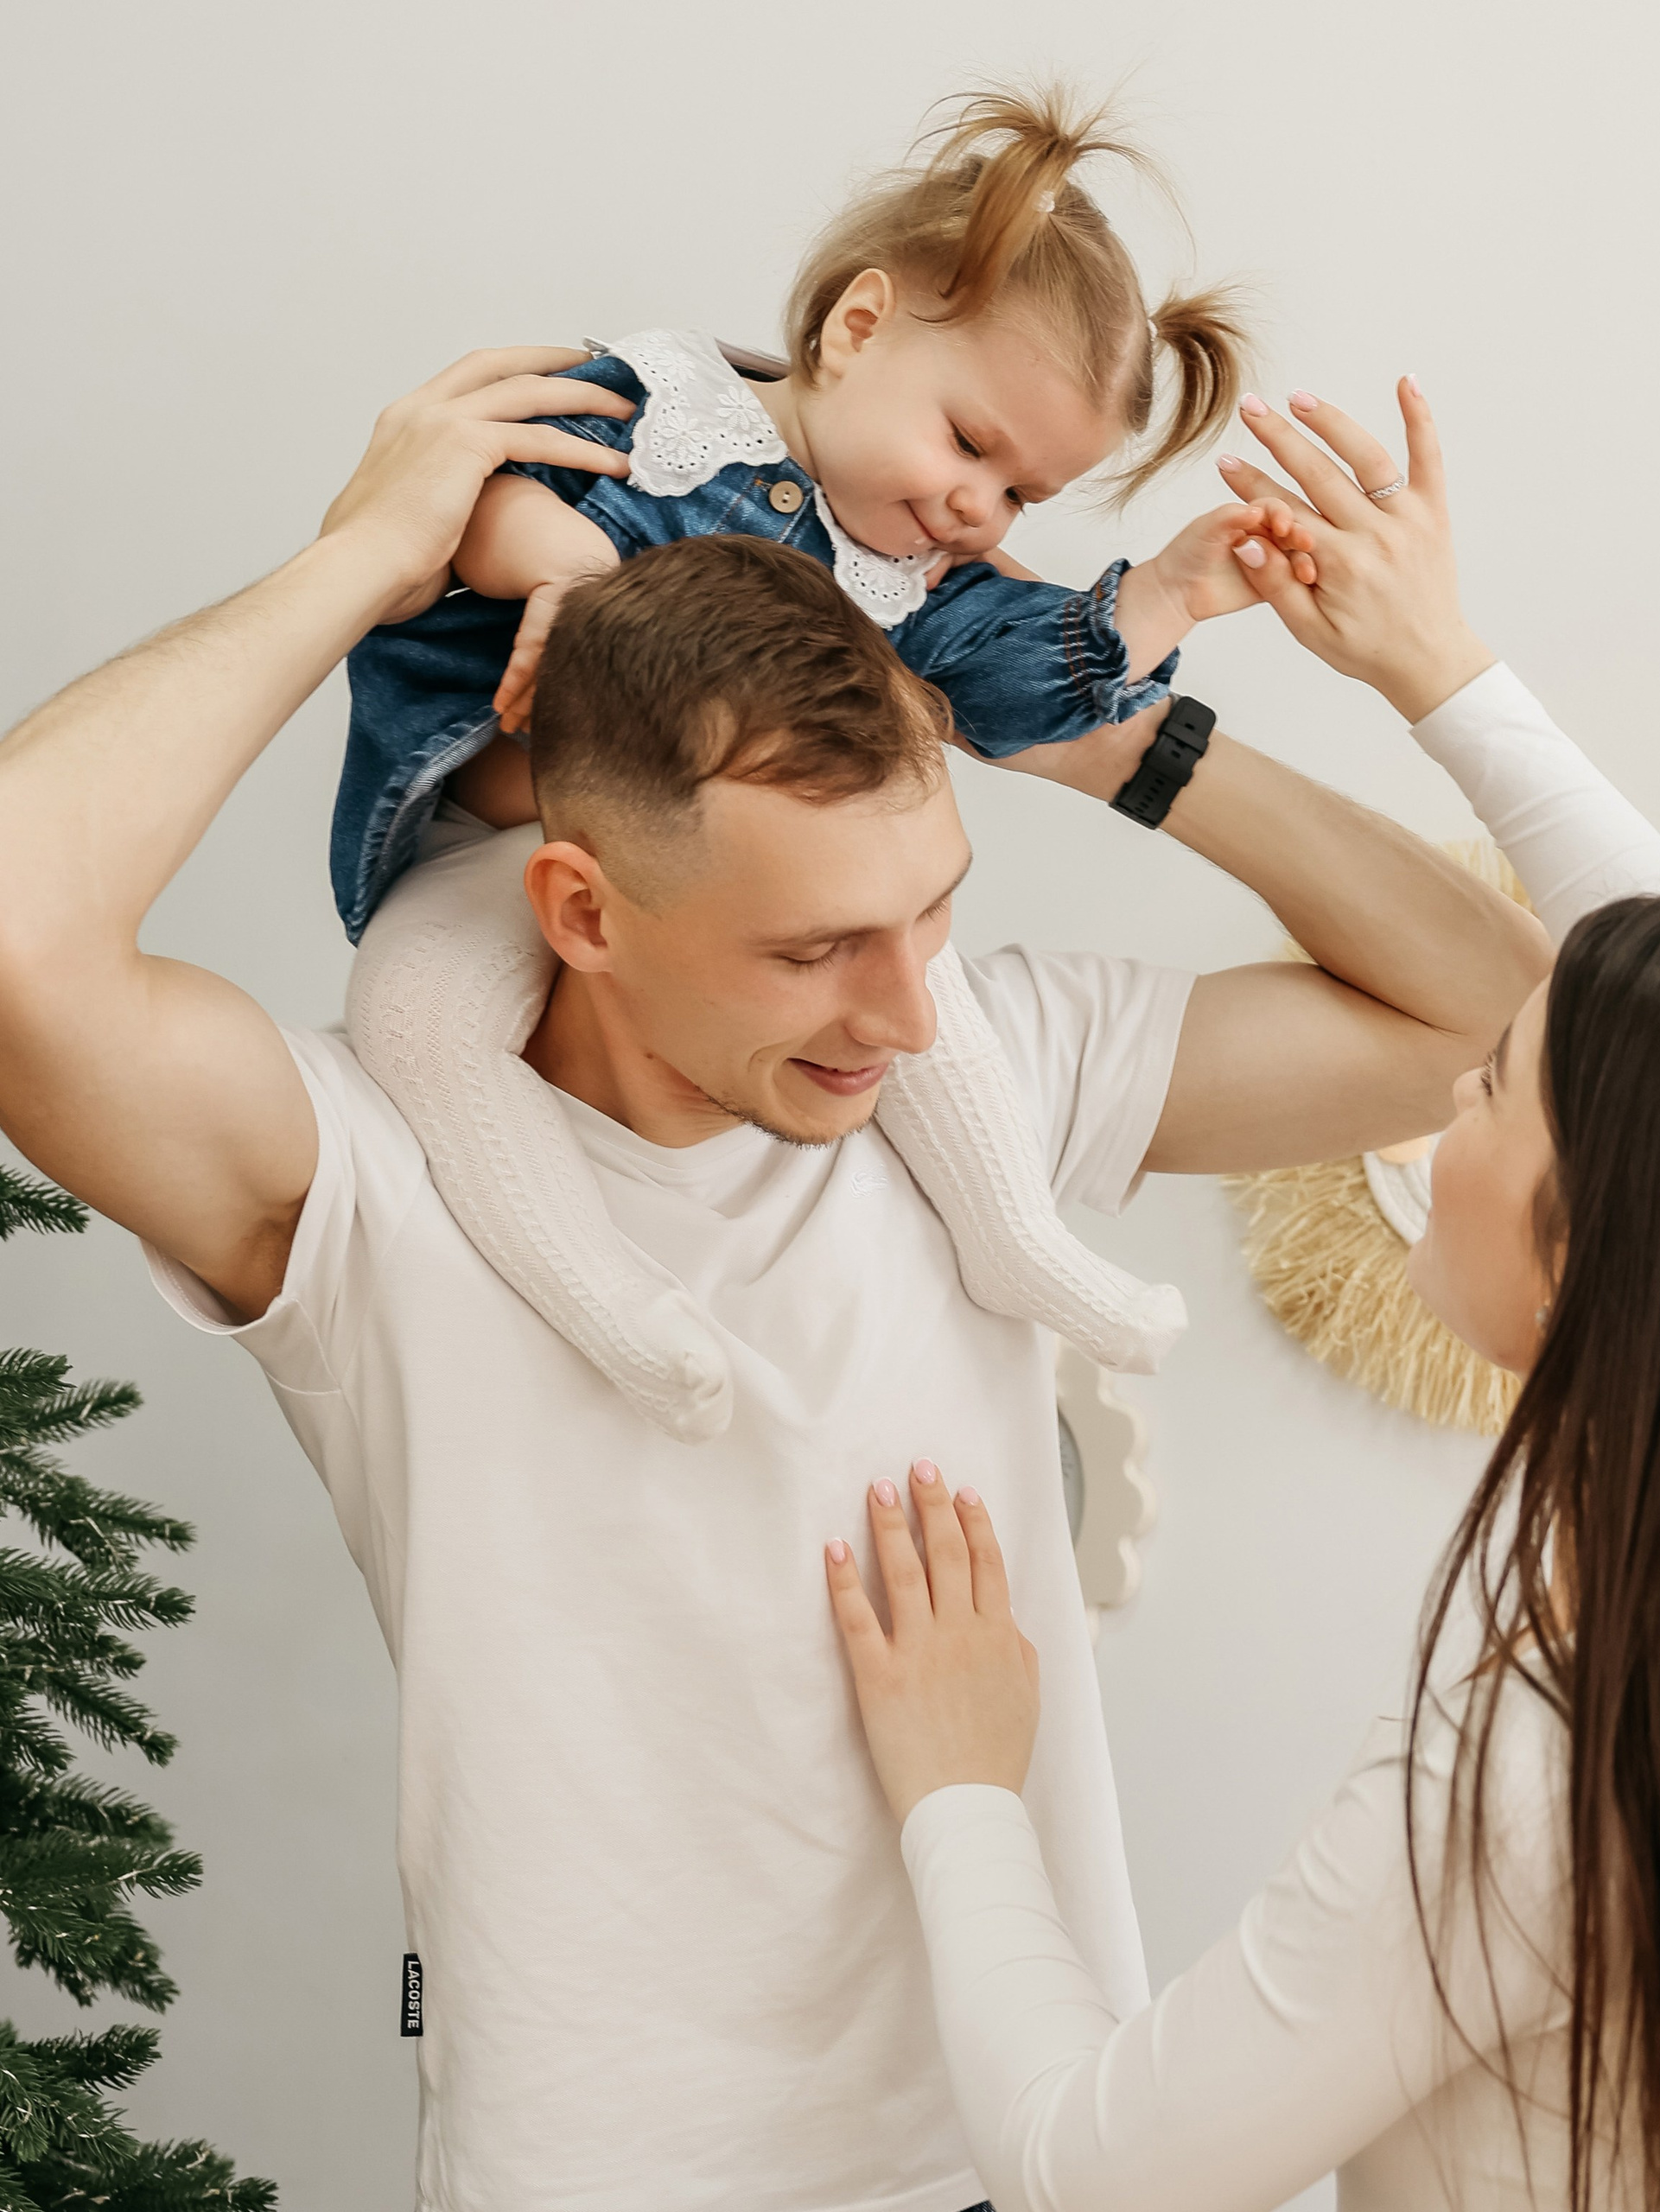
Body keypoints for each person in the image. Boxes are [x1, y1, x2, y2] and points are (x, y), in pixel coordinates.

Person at [0, 355, 1550, 2210]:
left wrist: (1106, 731)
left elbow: (1497, 1011)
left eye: (934, 909)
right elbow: (20, 952)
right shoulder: (366, 1184)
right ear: (579, 908)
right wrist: (360, 557)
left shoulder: (977, 1074)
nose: (904, 1009)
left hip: (1029, 2145)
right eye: (816, 946)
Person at [826, 391, 1660, 2212]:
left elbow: (1090, 2165)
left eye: (1486, 1085)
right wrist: (1432, 677)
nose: (1441, 1105)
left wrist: (956, 1784)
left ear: (1598, 1262)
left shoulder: (1526, 1786)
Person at [335, 84, 1314, 1429]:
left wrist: (1169, 599)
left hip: (740, 897)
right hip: (497, 839)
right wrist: (570, 575)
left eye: (1025, 492)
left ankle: (1019, 1244)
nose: (979, 507)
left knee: (923, 988)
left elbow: (1028, 698)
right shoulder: (664, 407)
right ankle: (610, 1307)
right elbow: (488, 494)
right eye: (972, 443)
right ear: (857, 328)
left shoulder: (922, 569)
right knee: (418, 1026)